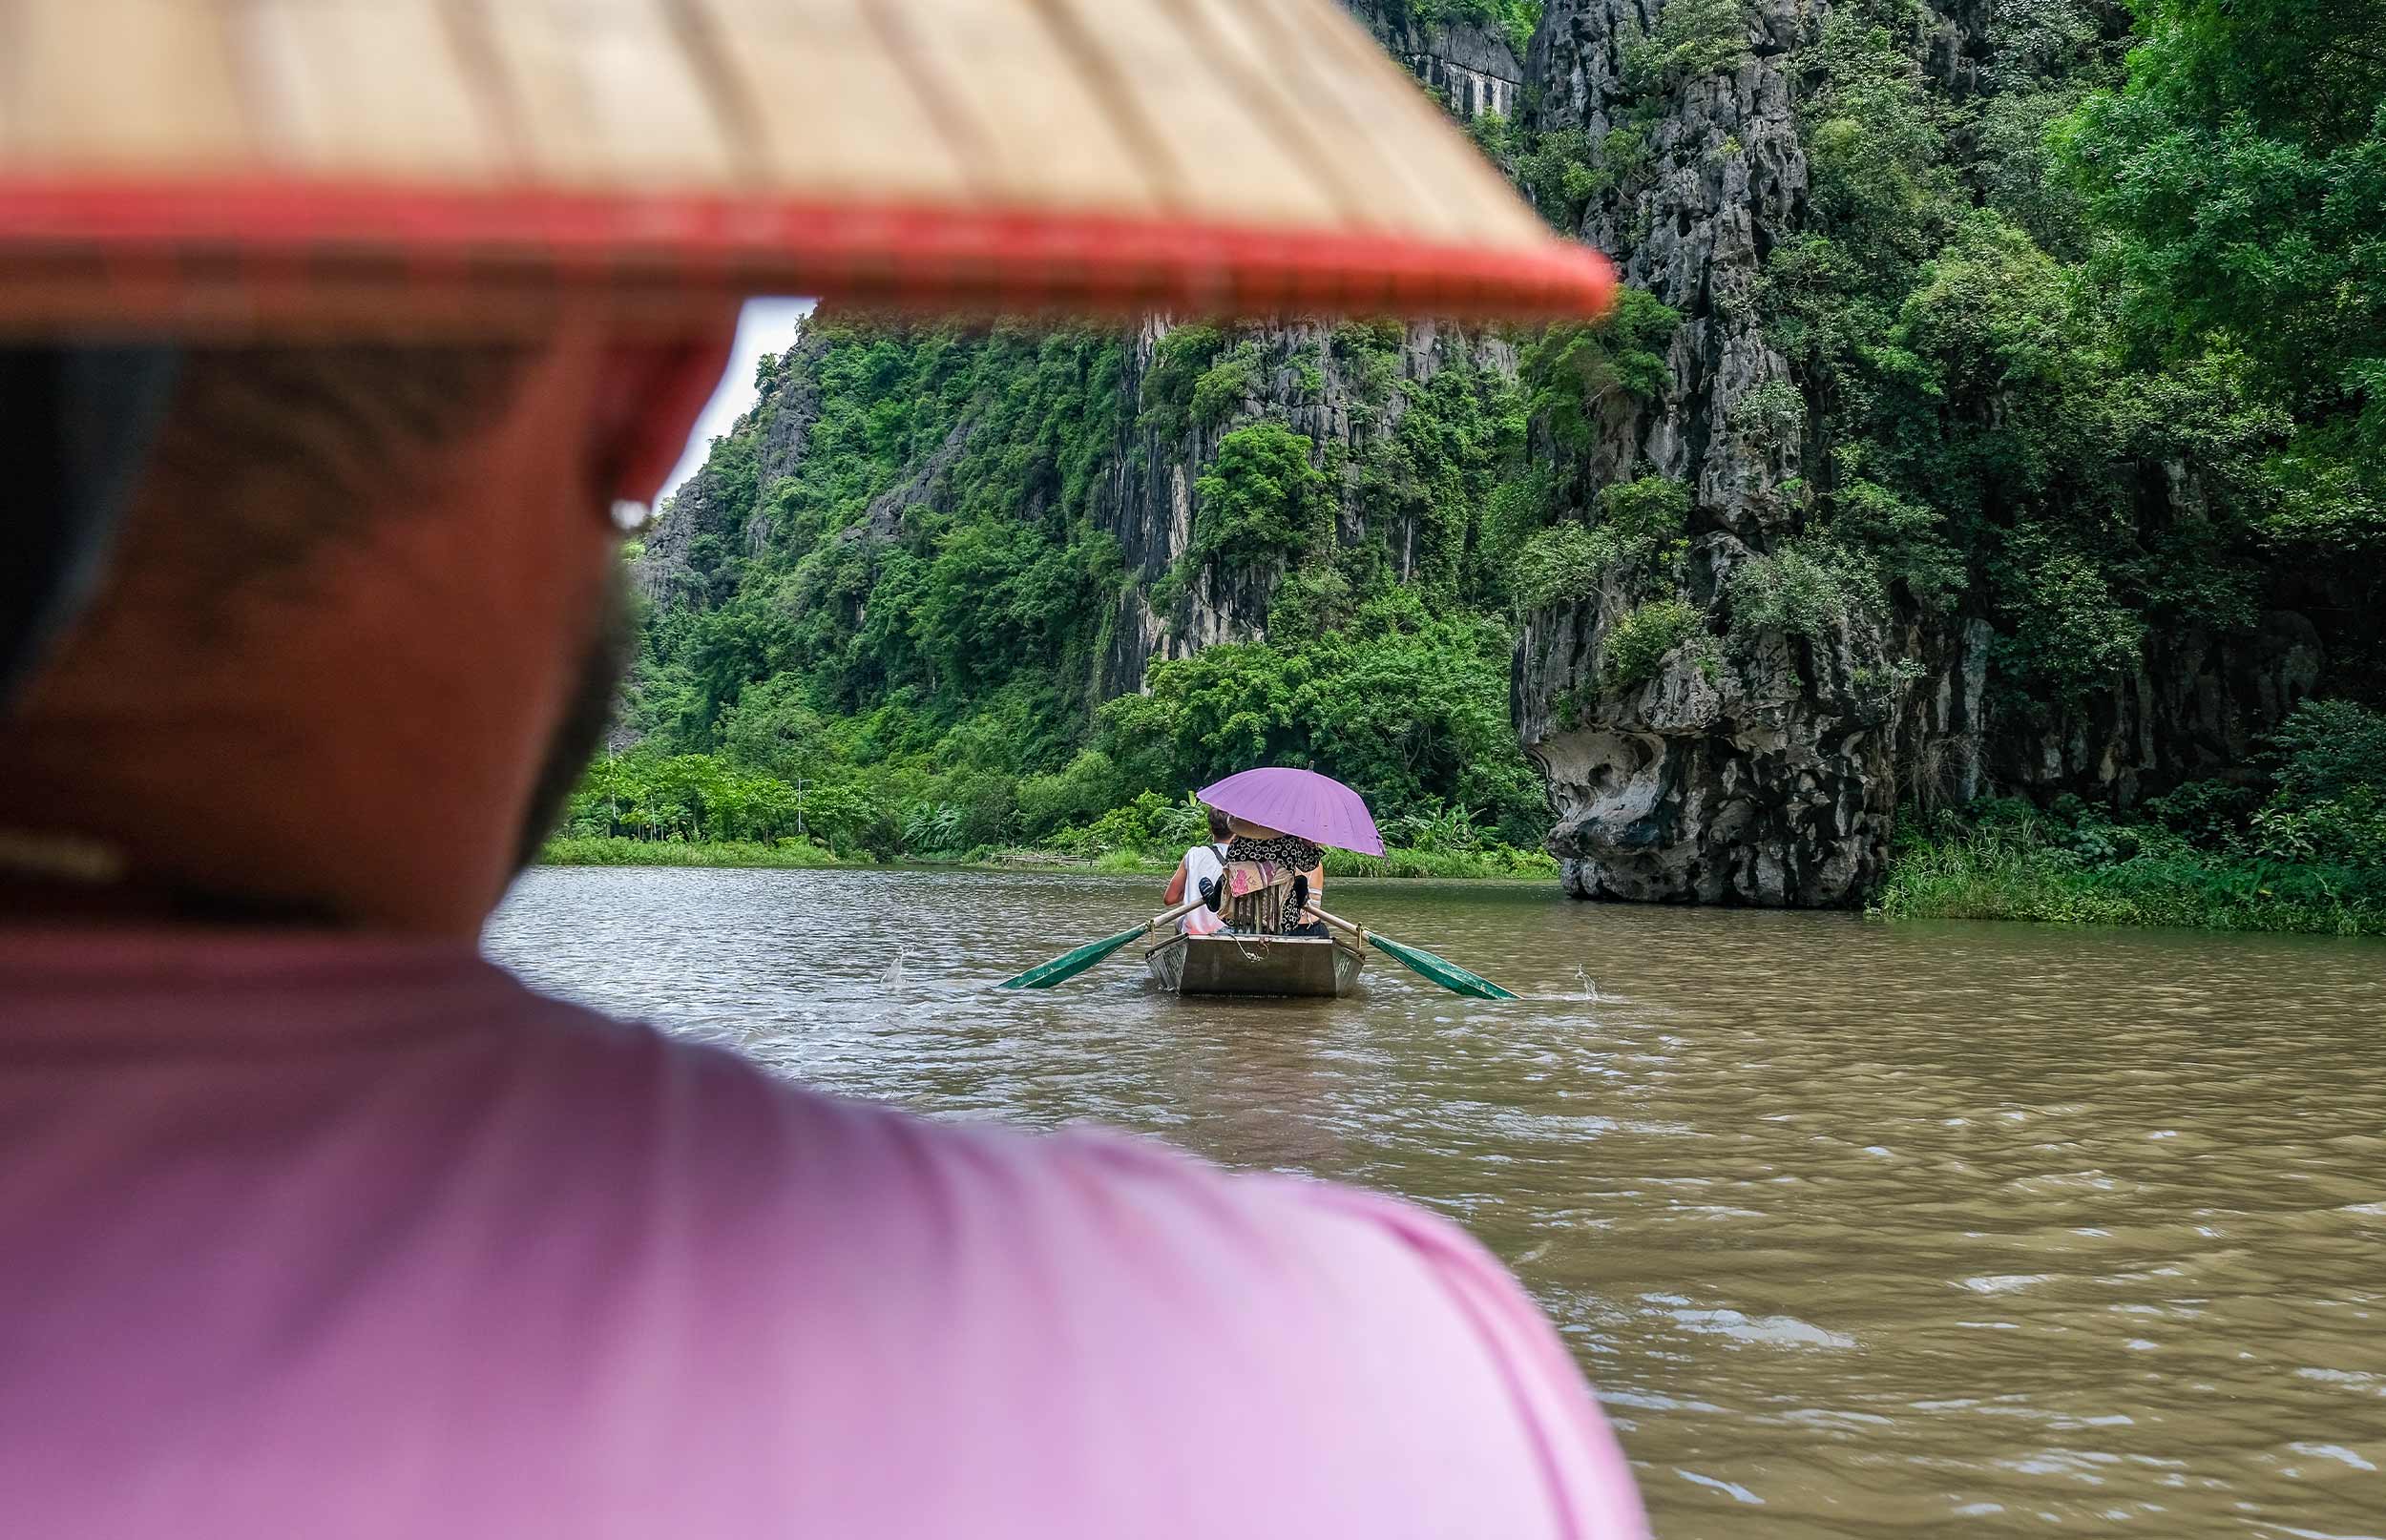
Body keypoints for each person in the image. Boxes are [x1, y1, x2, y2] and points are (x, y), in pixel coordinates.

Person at [0, 334, 1648, 1537]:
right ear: (660, 374)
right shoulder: (1380, 1391)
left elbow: (1173, 914)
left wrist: (1182, 906)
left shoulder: (1209, 881)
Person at [1222, 818, 1332, 938]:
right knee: (1301, 882)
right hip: (1281, 922)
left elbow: (1228, 875)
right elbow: (1310, 864)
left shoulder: (1235, 844)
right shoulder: (1289, 844)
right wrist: (1308, 844)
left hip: (1240, 918)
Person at [1161, 805, 1235, 935]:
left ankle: (1184, 954)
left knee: (1179, 920)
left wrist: (1191, 890)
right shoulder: (1242, 859)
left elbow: (1170, 898)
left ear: (1210, 829)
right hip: (1233, 931)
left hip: (1195, 931)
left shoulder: (1193, 854)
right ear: (1236, 831)